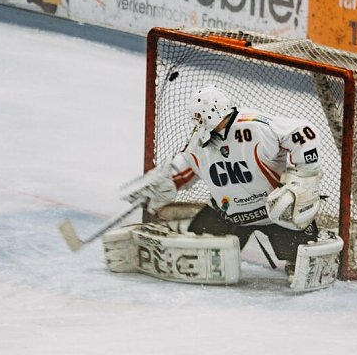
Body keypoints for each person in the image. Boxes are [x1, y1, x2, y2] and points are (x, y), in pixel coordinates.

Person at [125, 85, 325, 272]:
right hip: (230, 215)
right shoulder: (199, 141)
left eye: (198, 116)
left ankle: (296, 252)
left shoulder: (254, 125)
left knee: (303, 262)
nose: (196, 121)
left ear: (212, 112)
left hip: (275, 213)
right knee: (195, 252)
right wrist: (161, 185)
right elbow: (186, 168)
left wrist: (304, 181)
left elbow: (303, 132)